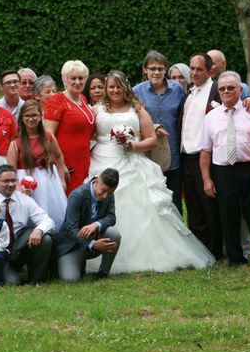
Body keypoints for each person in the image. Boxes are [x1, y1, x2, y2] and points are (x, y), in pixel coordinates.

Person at [87, 70, 215, 273]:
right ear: (105, 89)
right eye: (111, 87)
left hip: (132, 162)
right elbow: (88, 135)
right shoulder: (96, 110)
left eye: (119, 86)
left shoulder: (136, 109)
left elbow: (151, 139)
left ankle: (146, 254)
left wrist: (133, 147)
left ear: (125, 88)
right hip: (102, 162)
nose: (115, 90)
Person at [197, 72, 250, 265]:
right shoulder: (211, 117)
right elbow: (205, 151)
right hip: (223, 171)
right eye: (222, 88)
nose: (226, 91)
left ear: (240, 89)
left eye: (231, 88)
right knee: (228, 216)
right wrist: (207, 179)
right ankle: (235, 258)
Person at [0, 165, 55, 285]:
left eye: (13, 180)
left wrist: (39, 230)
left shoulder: (25, 200)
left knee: (45, 239)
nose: (10, 184)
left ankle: (36, 281)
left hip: (17, 246)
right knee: (11, 283)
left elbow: (47, 221)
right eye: (6, 181)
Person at [181, 52, 222, 258]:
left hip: (206, 157)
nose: (195, 73)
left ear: (209, 71)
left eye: (199, 69)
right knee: (194, 207)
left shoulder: (216, 92)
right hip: (186, 157)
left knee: (210, 206)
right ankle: (199, 249)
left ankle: (215, 250)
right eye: (192, 68)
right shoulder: (188, 94)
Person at [133, 50, 185, 213]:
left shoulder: (178, 90)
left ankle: (178, 236)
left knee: (174, 201)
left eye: (160, 69)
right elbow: (131, 121)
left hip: (174, 154)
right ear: (145, 69)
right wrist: (152, 126)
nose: (156, 72)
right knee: (150, 202)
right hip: (148, 155)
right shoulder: (136, 92)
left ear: (165, 70)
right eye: (153, 68)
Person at [7, 100, 68, 231]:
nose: (31, 119)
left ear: (40, 117)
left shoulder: (48, 137)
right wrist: (18, 188)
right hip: (26, 183)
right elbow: (11, 170)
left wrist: (62, 178)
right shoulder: (15, 143)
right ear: (21, 118)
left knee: (52, 212)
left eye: (34, 115)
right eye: (27, 116)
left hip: (49, 182)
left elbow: (58, 156)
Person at [55, 168, 121, 282]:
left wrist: (96, 224)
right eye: (103, 191)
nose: (105, 196)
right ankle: (72, 263)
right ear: (96, 182)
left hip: (94, 240)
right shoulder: (77, 195)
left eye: (110, 193)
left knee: (114, 233)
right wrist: (93, 244)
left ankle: (102, 273)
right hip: (73, 245)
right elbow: (71, 229)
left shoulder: (109, 194)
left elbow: (111, 217)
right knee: (70, 279)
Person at [44, 60, 94, 196]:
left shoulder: (83, 98)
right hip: (66, 161)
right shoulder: (56, 100)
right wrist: (60, 166)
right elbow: (48, 136)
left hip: (84, 159)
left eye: (81, 78)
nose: (77, 82)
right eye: (73, 78)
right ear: (65, 80)